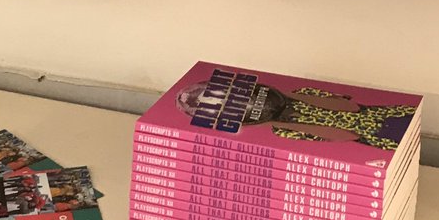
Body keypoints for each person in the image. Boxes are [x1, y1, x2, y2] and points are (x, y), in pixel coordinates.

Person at [176, 80, 417, 151]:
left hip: (389, 118)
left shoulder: (303, 93)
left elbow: (349, 105)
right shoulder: (285, 131)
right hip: (378, 136)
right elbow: (343, 136)